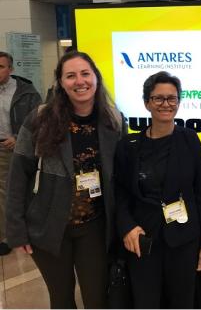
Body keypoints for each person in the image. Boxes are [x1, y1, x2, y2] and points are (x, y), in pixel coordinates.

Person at [6, 51, 125, 308]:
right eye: (70, 76)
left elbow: (120, 178)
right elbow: (19, 176)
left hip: (94, 226)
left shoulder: (113, 120)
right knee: (61, 299)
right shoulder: (40, 119)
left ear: (96, 78)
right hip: (48, 226)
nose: (79, 81)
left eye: (85, 74)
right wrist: (16, 230)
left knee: (97, 298)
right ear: (60, 82)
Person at [114, 71, 201, 308]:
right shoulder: (128, 146)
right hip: (142, 238)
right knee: (145, 301)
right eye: (158, 98)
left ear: (178, 102)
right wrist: (127, 226)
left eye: (172, 98)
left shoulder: (190, 140)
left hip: (182, 238)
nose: (165, 104)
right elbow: (120, 193)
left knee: (182, 301)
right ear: (147, 102)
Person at [0, 51, 42, 256]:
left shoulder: (26, 92)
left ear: (11, 69)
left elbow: (37, 121)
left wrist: (18, 137)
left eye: (1, 67)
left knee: (7, 191)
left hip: (13, 147)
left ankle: (7, 236)